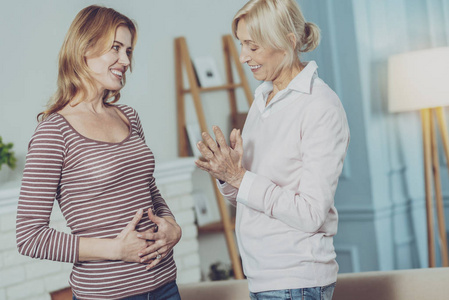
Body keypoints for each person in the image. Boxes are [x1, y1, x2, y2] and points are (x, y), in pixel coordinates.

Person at [16, 5, 182, 300]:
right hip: (108, 295)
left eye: (128, 51)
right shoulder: (53, 132)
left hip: (165, 286)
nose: (125, 60)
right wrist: (115, 250)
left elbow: (148, 190)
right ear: (84, 49)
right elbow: (30, 237)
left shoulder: (128, 116)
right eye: (115, 48)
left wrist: (171, 226)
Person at [195, 0, 350, 299]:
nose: (242, 57)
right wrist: (229, 176)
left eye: (253, 47)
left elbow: (310, 213)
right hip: (263, 278)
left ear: (288, 43)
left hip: (296, 281)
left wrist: (241, 178)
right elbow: (252, 198)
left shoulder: (320, 106)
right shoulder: (263, 99)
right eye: (241, 45)